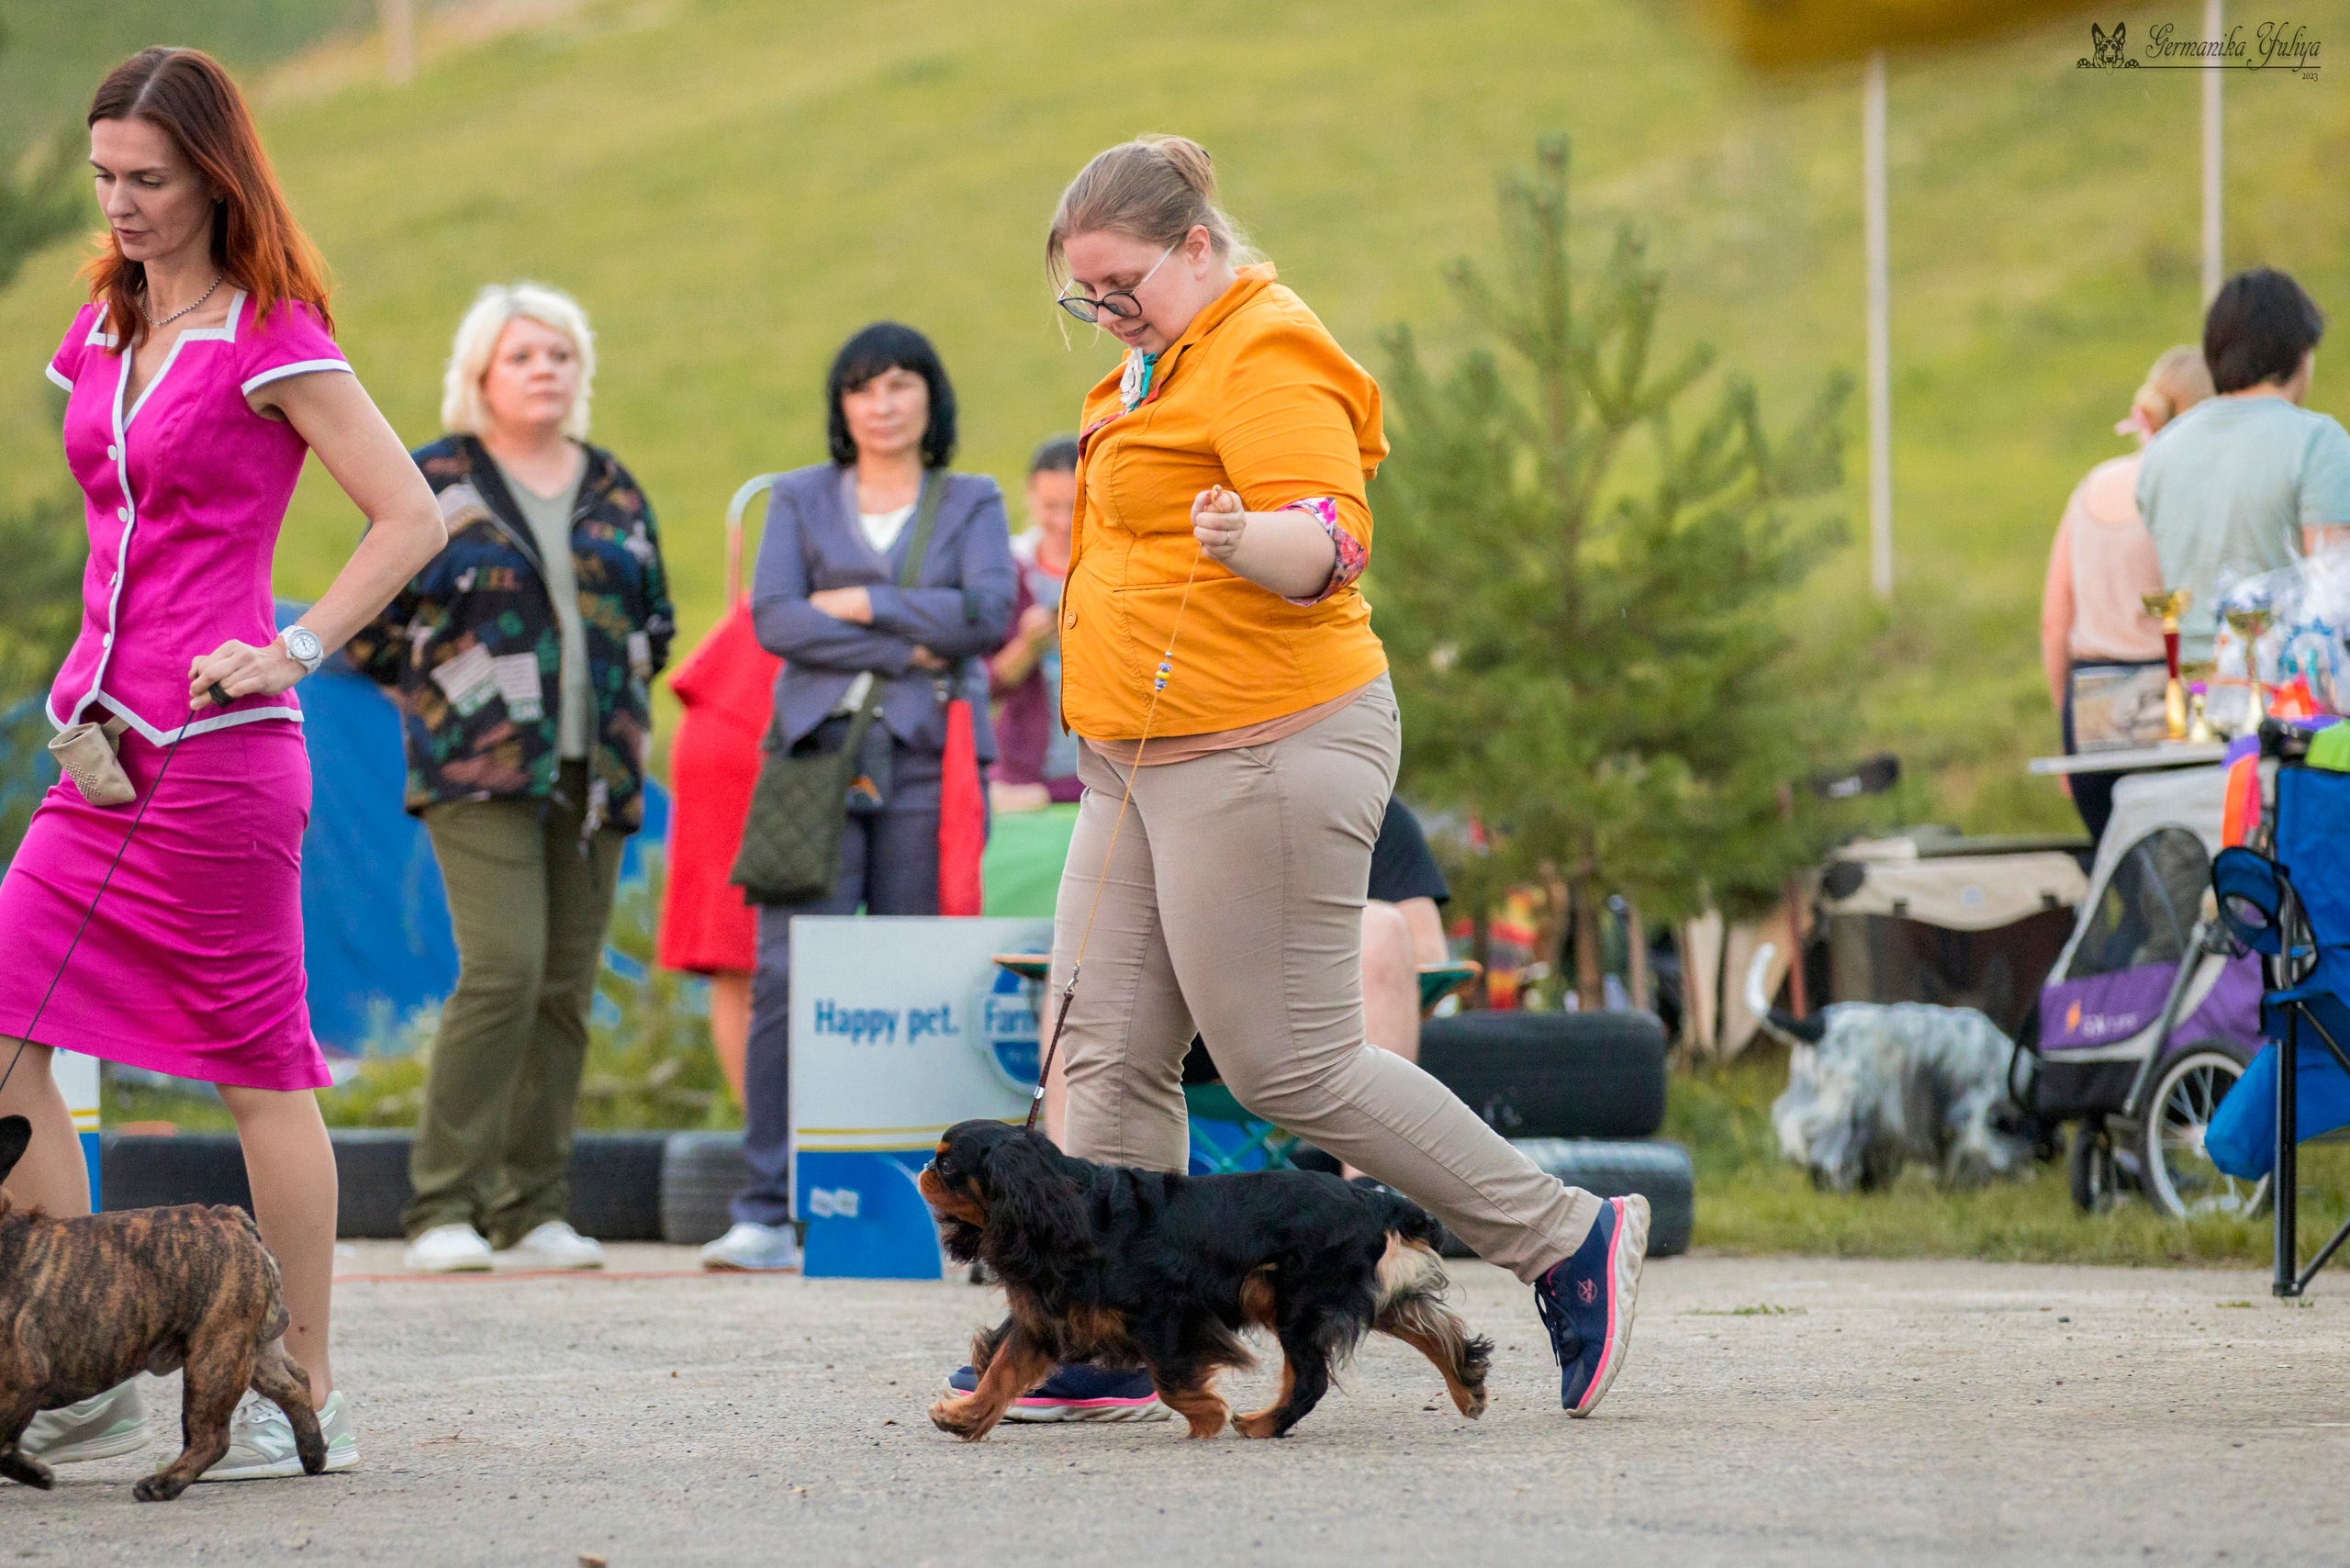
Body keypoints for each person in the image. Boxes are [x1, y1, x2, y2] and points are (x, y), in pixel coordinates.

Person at [952, 135, 1647, 1424]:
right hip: (1134, 755)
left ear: (1198, 247)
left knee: (1292, 1067)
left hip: (1264, 742)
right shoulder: (1155, 367)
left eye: (1121, 286)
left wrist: (1246, 537)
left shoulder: (1266, 350)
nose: (1103, 314)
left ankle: (1562, 1238)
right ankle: (1103, 1331)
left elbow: (1329, 537)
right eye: (1083, 296)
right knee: (1103, 1049)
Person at [0, 47, 444, 1480]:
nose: (121, 205)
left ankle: (294, 1378)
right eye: (106, 178)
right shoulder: (102, 322)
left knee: (259, 1073)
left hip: (220, 759)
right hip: (96, 754)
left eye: (149, 179)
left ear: (213, 174)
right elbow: (113, 531)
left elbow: (409, 516)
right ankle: (77, 1368)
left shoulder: (275, 333)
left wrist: (295, 645)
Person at [346, 282, 675, 1276]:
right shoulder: (434, 477)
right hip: (477, 770)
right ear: (480, 374)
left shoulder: (613, 484)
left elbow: (654, 617)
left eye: (560, 356)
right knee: (503, 968)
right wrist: (442, 699)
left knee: (566, 987)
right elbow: (368, 622)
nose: (545, 370)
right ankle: (443, 1204)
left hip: (599, 766)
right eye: (523, 355)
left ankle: (534, 1206)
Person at [702, 323, 1016, 1271]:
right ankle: (763, 1204)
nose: (881, 403)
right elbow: (775, 619)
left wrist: (863, 603)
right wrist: (916, 638)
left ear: (931, 396)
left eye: (899, 384)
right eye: (861, 388)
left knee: (923, 973)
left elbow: (993, 615)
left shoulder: (971, 498)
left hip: (932, 758)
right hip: (812, 758)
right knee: (787, 976)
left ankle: (936, 1209)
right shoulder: (798, 497)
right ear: (841, 406)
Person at [2040, 346, 2212, 841]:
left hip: (2089, 710)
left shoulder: (2090, 487)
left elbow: (2055, 623)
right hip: (2168, 710)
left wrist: (2068, 730)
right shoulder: (2186, 489)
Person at [2140, 268, 2350, 663]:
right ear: (2300, 353)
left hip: (2192, 689)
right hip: (2292, 698)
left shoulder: (2161, 453)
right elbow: (2335, 596)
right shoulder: (2318, 443)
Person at [656, 587, 782, 1108]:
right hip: (747, 719)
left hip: (741, 702)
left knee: (743, 955)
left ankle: (768, 1145)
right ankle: (770, 1146)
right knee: (741, 952)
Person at [988, 436, 1080, 811]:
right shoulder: (1007, 571)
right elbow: (983, 685)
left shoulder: (1117, 573)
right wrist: (1027, 646)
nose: (1061, 521)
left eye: (1074, 507)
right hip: (1019, 781)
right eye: (1050, 506)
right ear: (1029, 496)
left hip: (1098, 782)